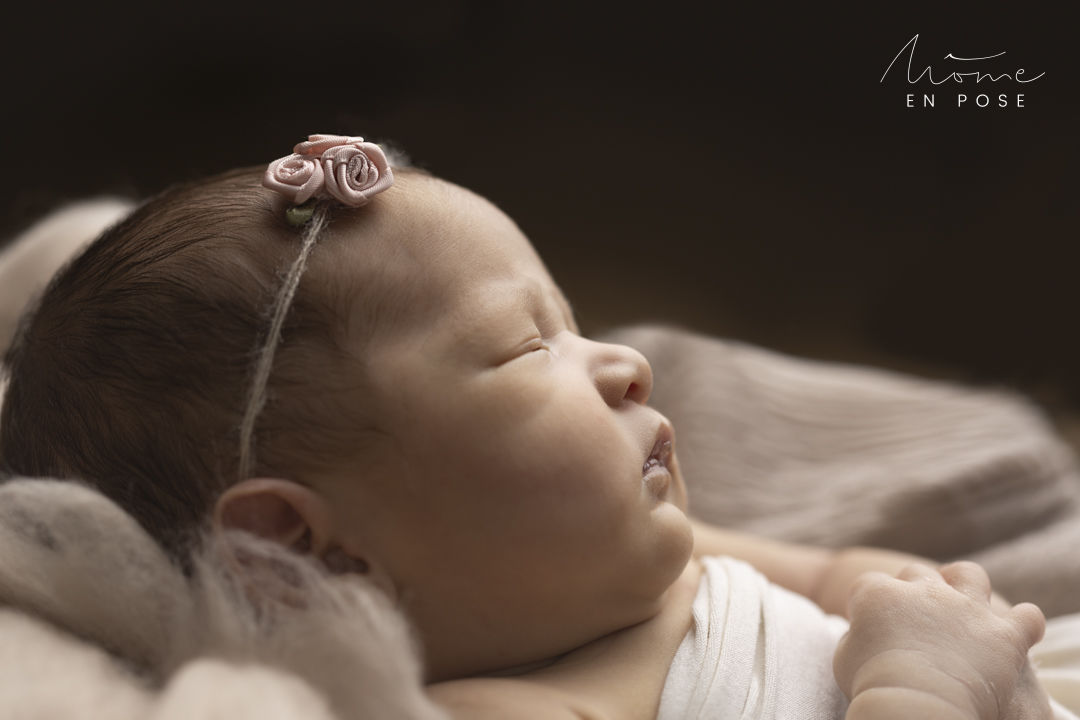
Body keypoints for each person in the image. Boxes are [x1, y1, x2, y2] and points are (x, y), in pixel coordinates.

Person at [0, 135, 1067, 719]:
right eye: (527, 347)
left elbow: (840, 576)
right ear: (296, 542)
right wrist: (921, 684)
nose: (626, 363)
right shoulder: (512, 711)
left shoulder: (666, 563)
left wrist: (932, 605)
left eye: (577, 322)